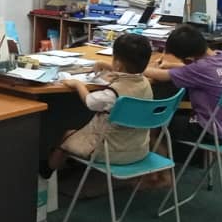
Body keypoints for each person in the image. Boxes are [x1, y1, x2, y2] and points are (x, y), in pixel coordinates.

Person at [46, 34, 155, 174]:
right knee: (78, 132)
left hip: (110, 152)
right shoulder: (145, 83)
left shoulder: (113, 94)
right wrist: (106, 65)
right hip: (138, 148)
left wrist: (78, 84)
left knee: (67, 135)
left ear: (118, 64)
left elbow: (89, 101)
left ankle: (47, 171)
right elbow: (129, 76)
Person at [143, 25, 222, 146]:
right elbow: (197, 71)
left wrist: (139, 68)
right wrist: (172, 65)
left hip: (211, 130)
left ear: (187, 56)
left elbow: (164, 76)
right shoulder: (221, 56)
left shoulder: (201, 68)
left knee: (157, 124)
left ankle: (163, 157)